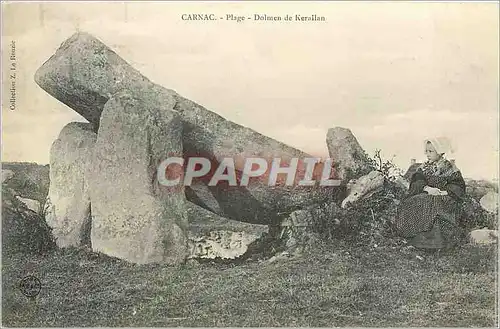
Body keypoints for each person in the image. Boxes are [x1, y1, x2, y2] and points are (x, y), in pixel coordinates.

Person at [395, 137, 467, 249]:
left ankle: (431, 241)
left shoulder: (449, 167)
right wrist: (426, 188)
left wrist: (445, 192)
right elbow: (417, 181)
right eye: (426, 151)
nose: (427, 154)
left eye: (431, 151)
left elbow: (458, 185)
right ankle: (411, 234)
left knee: (433, 205)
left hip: (444, 197)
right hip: (427, 192)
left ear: (440, 152)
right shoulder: (424, 167)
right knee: (411, 202)